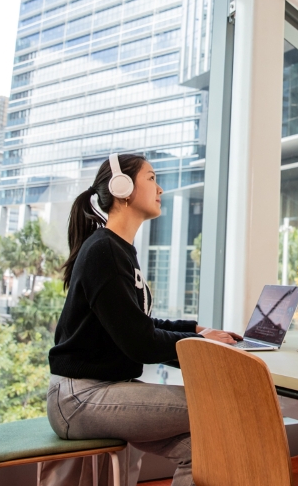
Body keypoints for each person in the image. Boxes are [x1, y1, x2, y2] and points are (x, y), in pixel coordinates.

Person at [47, 153, 240, 486]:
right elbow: (140, 343)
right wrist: (199, 343)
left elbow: (138, 324)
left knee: (203, 447)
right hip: (79, 398)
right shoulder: (105, 251)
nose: (160, 188)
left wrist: (195, 330)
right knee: (217, 406)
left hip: (100, 391)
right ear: (122, 188)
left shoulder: (118, 250)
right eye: (152, 178)